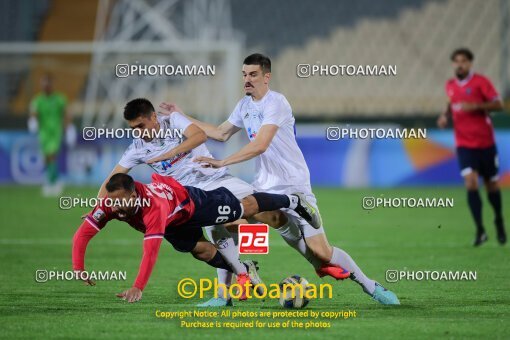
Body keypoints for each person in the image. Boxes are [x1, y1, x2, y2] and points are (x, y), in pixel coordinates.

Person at [163, 53, 400, 305]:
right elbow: (221, 133)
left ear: (267, 77)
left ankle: (370, 286)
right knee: (221, 219)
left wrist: (223, 162)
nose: (247, 80)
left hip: (293, 184)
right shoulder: (244, 105)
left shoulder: (276, 103)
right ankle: (224, 294)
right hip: (264, 186)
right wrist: (181, 115)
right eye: (244, 74)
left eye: (253, 74)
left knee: (321, 253)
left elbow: (261, 145)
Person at [72, 172, 320, 303]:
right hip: (174, 224)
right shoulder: (109, 204)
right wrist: (78, 267)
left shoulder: (153, 207)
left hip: (193, 204)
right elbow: (83, 233)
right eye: (111, 203)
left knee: (245, 208)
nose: (114, 208)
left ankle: (294, 200)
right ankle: (245, 267)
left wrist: (138, 287)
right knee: (200, 251)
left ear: (135, 194)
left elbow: (150, 253)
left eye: (119, 202)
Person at [437, 48, 506, 246]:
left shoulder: (481, 82)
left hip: (485, 143)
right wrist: (444, 117)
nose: (460, 64)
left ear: (470, 63)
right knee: (470, 183)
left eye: (464, 61)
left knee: (491, 185)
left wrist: (476, 106)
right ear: (453, 64)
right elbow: (451, 104)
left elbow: (499, 104)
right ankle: (480, 229)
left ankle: (499, 220)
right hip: (464, 145)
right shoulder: (450, 85)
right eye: (456, 61)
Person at [29, 73, 76, 196]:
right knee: (46, 158)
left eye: (47, 84)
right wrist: (33, 121)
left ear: (51, 85)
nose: (45, 86)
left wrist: (68, 127)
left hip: (56, 132)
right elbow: (34, 112)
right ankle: (53, 180)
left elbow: (67, 112)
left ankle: (53, 183)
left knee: (51, 155)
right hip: (43, 133)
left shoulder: (59, 99)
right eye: (43, 84)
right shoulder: (38, 99)